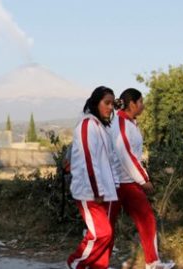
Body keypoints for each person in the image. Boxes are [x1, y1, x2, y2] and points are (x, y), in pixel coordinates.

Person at [109, 88, 175, 269]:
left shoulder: (130, 123)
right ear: (132, 104)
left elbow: (133, 155)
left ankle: (153, 262)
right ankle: (93, 263)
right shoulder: (121, 123)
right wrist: (144, 179)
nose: (143, 105)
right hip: (118, 182)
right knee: (106, 227)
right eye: (141, 102)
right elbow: (126, 155)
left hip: (128, 181)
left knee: (146, 219)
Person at [67, 86, 119, 269]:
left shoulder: (101, 127)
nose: (110, 107)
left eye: (113, 103)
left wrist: (114, 186)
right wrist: (97, 190)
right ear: (95, 102)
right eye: (107, 103)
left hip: (104, 191)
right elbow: (88, 160)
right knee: (102, 233)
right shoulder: (87, 125)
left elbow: (108, 161)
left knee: (107, 233)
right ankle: (75, 263)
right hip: (89, 192)